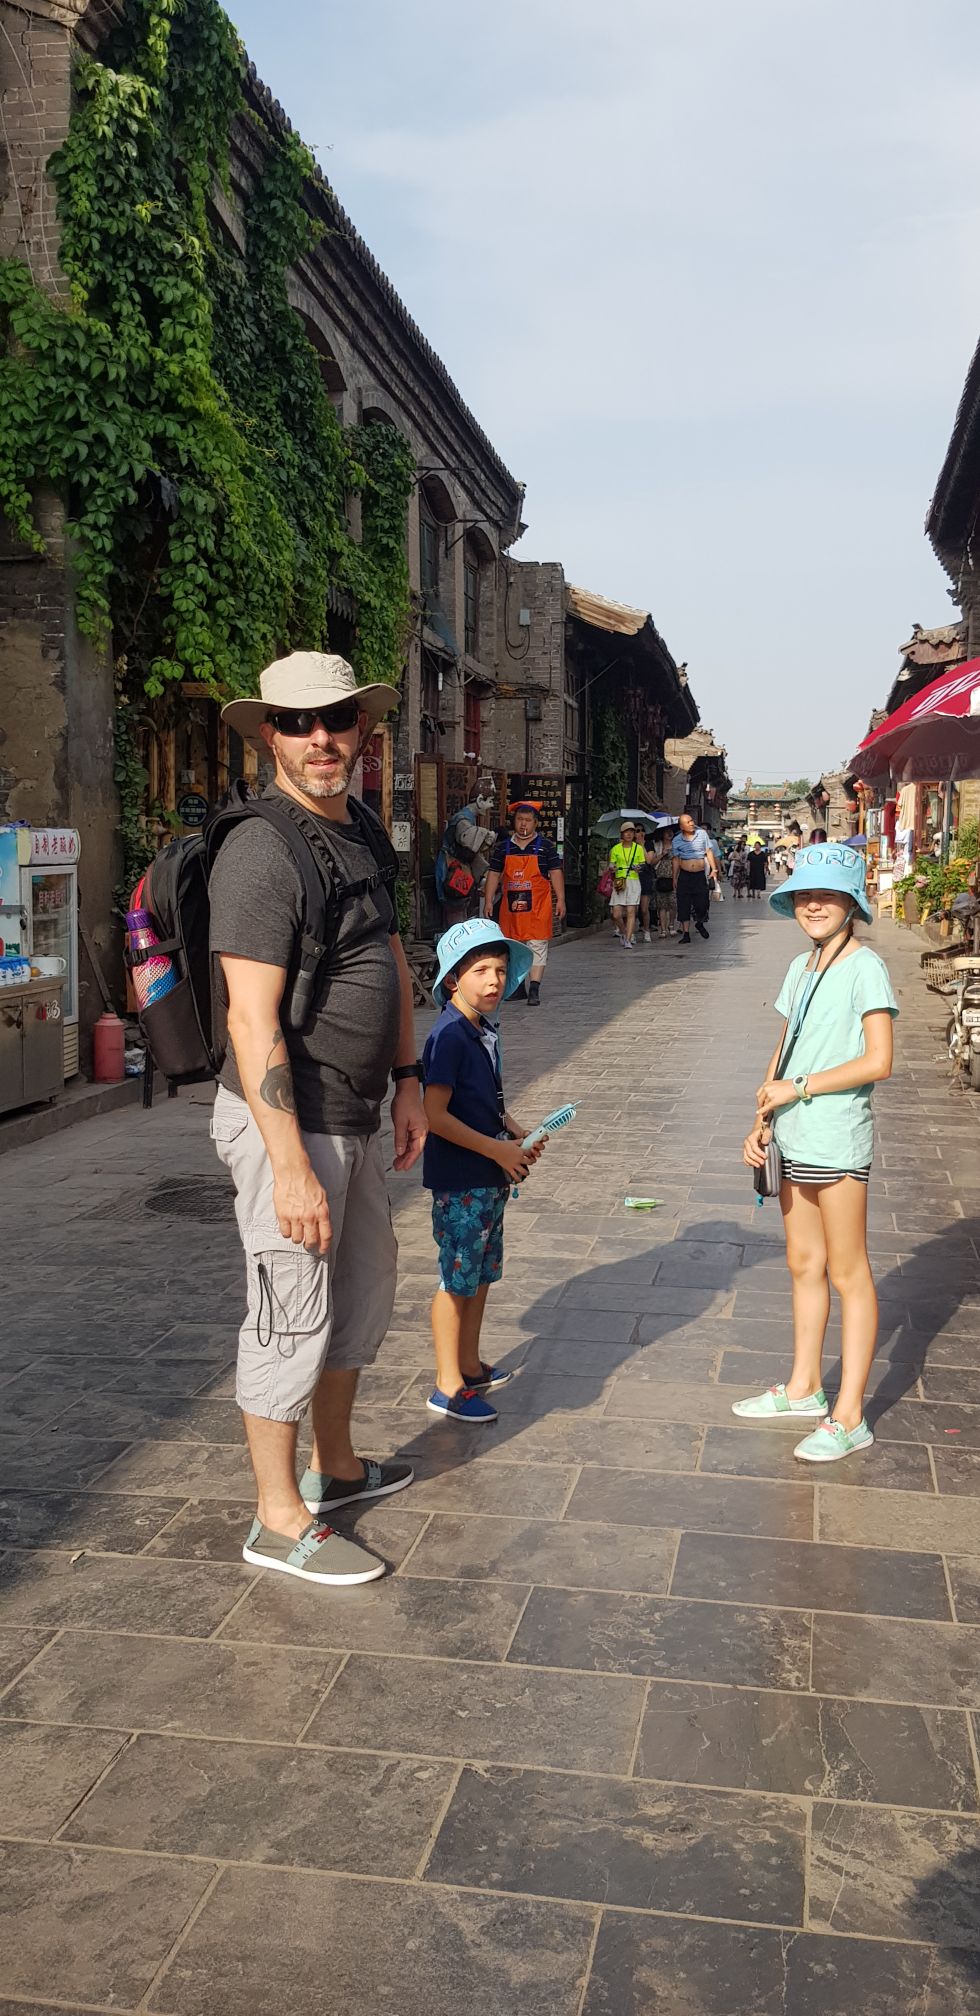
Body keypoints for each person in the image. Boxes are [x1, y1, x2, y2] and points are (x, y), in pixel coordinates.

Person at [210, 651, 427, 1588]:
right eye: (299, 723)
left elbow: (391, 955)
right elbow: (250, 1020)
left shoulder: (360, 827)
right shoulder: (263, 850)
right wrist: (290, 1165)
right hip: (292, 1127)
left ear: (362, 729)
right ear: (271, 736)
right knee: (288, 1316)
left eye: (337, 719)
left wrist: (409, 1077)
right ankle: (276, 1515)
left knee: (362, 1296)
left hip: (359, 1113)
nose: (321, 738)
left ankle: (333, 1468)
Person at [736, 842, 897, 1463]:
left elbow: (879, 1060)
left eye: (828, 895)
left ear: (852, 903)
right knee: (803, 1263)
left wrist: (798, 1088)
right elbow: (785, 1046)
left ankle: (850, 1414)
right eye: (805, 895)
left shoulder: (865, 967)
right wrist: (762, 1117)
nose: (814, 906)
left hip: (836, 1136)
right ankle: (804, 1386)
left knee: (848, 1271)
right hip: (793, 1133)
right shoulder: (802, 967)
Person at [422, 919, 544, 1421]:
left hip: (487, 1174)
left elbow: (483, 1099)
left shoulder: (480, 1029)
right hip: (462, 1179)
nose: (494, 981)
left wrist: (513, 1133)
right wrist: (497, 1151)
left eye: (499, 969)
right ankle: (447, 1385)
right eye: (480, 971)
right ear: (453, 978)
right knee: (456, 1280)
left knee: (479, 1274)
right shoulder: (449, 1035)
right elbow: (435, 1115)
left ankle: (469, 1365)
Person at [482, 800, 565, 1006]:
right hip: (511, 908)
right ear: (514, 822)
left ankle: (534, 988)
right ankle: (517, 986)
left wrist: (561, 899)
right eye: (520, 819)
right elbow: (494, 874)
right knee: (513, 946)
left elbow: (555, 872)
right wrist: (488, 900)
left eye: (528, 820)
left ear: (535, 823)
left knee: (537, 944)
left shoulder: (546, 847)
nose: (523, 824)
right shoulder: (503, 848)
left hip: (538, 907)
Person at [671, 812, 721, 943]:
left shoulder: (702, 834)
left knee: (702, 903)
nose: (692, 823)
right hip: (684, 875)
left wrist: (714, 869)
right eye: (688, 822)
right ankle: (686, 933)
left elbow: (709, 852)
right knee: (683, 904)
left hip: (699, 875)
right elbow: (676, 859)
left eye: (692, 821)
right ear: (681, 826)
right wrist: (674, 877)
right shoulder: (676, 840)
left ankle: (699, 922)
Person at [608, 821, 647, 948]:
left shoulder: (638, 848)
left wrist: (639, 867)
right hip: (620, 881)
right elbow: (611, 864)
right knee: (616, 914)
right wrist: (612, 867)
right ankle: (624, 932)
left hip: (633, 880)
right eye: (626, 832)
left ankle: (628, 940)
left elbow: (643, 864)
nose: (629, 834)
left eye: (631, 832)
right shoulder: (616, 848)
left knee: (631, 911)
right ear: (622, 834)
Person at [649, 829, 677, 936]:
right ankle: (663, 929)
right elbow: (652, 862)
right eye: (667, 831)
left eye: (671, 831)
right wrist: (661, 854)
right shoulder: (657, 846)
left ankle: (671, 925)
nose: (669, 833)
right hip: (660, 877)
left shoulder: (676, 845)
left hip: (673, 877)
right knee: (662, 905)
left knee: (673, 904)